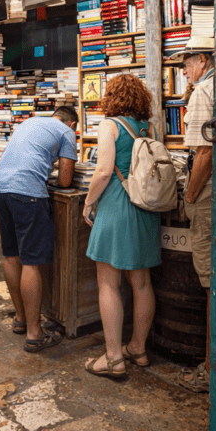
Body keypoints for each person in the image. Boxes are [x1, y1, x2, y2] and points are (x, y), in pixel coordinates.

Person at [81, 74, 161, 379]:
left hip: (117, 205)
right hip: (145, 207)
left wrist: (89, 202)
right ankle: (138, 348)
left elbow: (103, 171)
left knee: (108, 283)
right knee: (141, 283)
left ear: (111, 97)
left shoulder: (109, 125)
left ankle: (114, 358)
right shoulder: (150, 127)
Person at [0, 107, 78, 352]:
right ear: (72, 124)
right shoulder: (67, 132)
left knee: (12, 256)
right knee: (31, 262)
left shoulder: (29, 122)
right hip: (27, 194)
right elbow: (65, 180)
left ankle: (21, 319)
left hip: (0, 189)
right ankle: (35, 334)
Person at [171, 35, 216, 393]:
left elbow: (204, 152)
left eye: (186, 63)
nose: (184, 70)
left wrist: (189, 195)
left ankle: (211, 369)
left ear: (202, 60)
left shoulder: (203, 91)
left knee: (210, 280)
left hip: (207, 193)